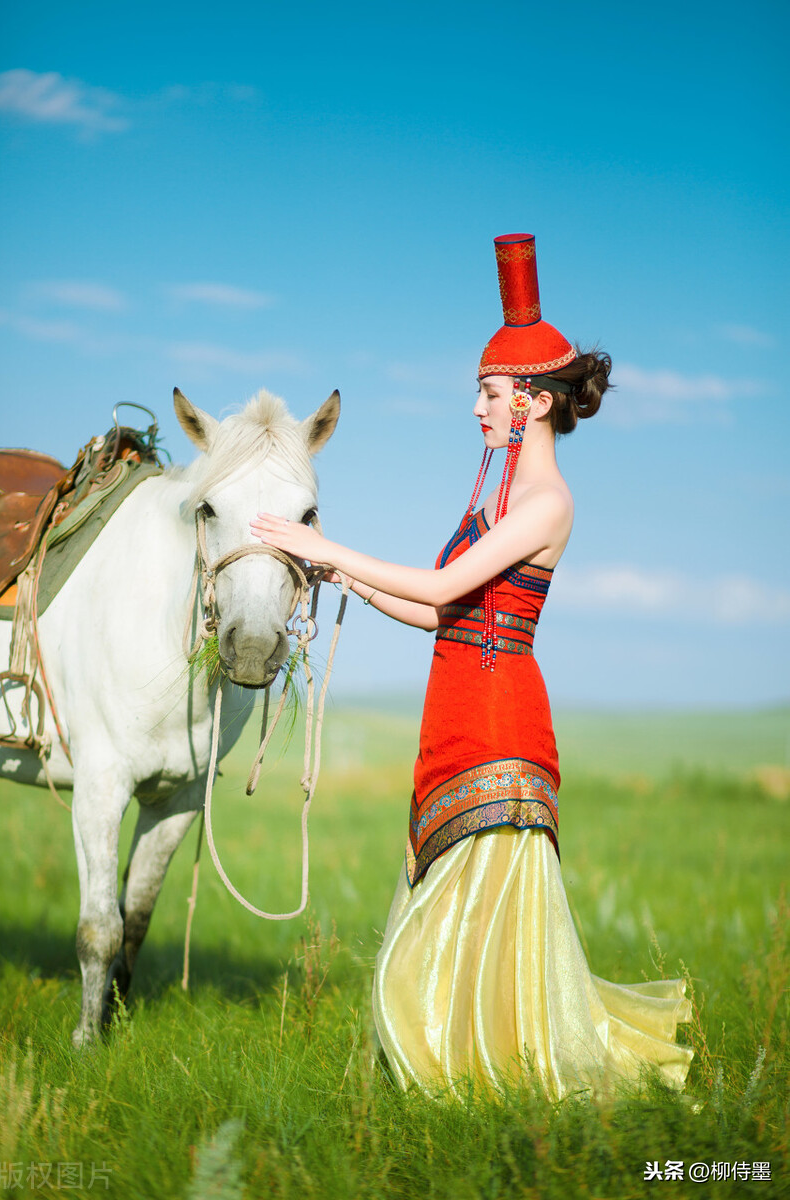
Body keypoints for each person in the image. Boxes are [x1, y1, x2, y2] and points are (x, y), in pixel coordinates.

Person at [250, 233, 694, 1101]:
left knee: (460, 928)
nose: (479, 409)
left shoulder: (545, 502)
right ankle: (464, 1072)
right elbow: (436, 611)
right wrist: (338, 575)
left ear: (530, 403)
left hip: (498, 721)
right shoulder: (490, 500)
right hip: (454, 706)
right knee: (448, 923)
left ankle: (484, 1078)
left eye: (489, 393)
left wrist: (322, 541)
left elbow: (446, 581)